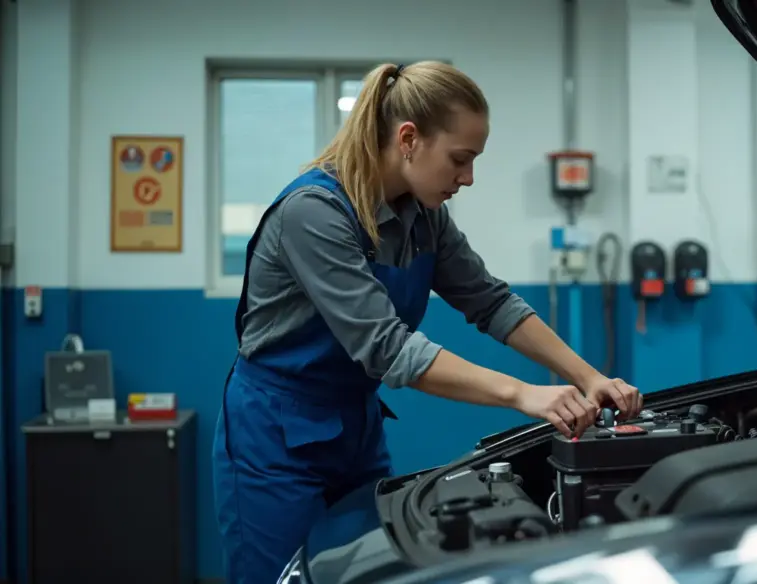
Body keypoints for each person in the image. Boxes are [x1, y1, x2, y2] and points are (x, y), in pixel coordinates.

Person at [211, 61, 643, 583]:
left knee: (364, 573)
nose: (469, 177)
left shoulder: (425, 216)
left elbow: (490, 302)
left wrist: (587, 376)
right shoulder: (314, 213)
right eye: (460, 159)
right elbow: (388, 348)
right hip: (273, 435)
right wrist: (522, 395)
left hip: (354, 426)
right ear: (409, 138)